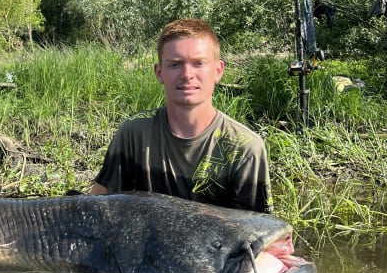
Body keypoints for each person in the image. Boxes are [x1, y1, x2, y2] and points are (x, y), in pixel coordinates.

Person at [89, 19, 272, 214]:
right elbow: (96, 206)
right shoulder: (134, 132)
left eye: (198, 63)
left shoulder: (245, 148)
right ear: (159, 72)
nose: (187, 74)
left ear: (218, 71)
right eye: (175, 64)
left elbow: (255, 231)